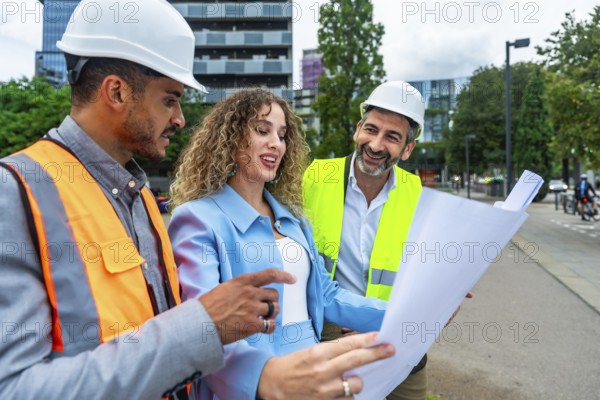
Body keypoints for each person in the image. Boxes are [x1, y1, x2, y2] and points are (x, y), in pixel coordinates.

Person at [0, 1, 393, 398]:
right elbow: (13, 387)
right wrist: (245, 364)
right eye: (170, 99)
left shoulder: (140, 204)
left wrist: (403, 313)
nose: (180, 119)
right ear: (116, 92)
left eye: (282, 134)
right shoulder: (14, 191)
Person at [168, 88, 390, 399]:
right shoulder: (197, 219)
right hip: (249, 387)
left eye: (283, 135)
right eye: (262, 130)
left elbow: (327, 297)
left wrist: (406, 313)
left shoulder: (295, 220)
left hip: (311, 379)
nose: (276, 143)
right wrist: (261, 378)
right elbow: (205, 324)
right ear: (230, 139)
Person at [302, 81, 428, 400]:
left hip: (396, 338)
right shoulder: (314, 177)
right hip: (329, 330)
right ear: (358, 129)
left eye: (392, 137)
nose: (375, 144)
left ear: (408, 149)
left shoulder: (418, 196)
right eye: (370, 129)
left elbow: (425, 275)